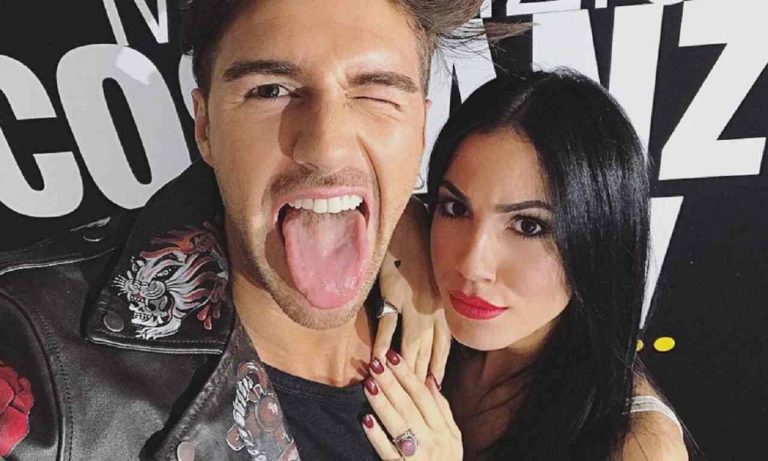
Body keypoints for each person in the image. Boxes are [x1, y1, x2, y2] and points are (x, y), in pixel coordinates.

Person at [0, 0, 491, 459]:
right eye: (270, 91)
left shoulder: (473, 321)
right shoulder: (30, 351)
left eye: (375, 94)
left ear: (420, 131)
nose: (326, 148)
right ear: (205, 127)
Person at [362, 70, 690, 460]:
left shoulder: (637, 447)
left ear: (597, 239)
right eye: (456, 208)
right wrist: (403, 228)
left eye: (528, 226)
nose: (472, 265)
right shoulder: (407, 300)